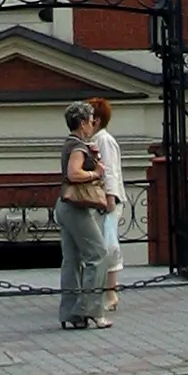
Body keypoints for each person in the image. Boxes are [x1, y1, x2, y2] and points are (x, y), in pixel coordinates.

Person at [55, 100, 112, 329]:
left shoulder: (69, 143)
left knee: (71, 260)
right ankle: (91, 311)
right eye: (90, 121)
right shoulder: (79, 146)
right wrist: (95, 172)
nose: (93, 125)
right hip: (77, 207)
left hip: (63, 205)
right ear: (81, 123)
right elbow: (74, 173)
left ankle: (70, 314)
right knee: (98, 255)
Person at [89, 97, 126, 311]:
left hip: (107, 201)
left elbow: (110, 170)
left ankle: (111, 291)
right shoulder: (97, 140)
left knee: (108, 244)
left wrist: (110, 197)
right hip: (102, 200)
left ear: (97, 119)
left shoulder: (103, 140)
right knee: (104, 242)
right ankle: (106, 289)